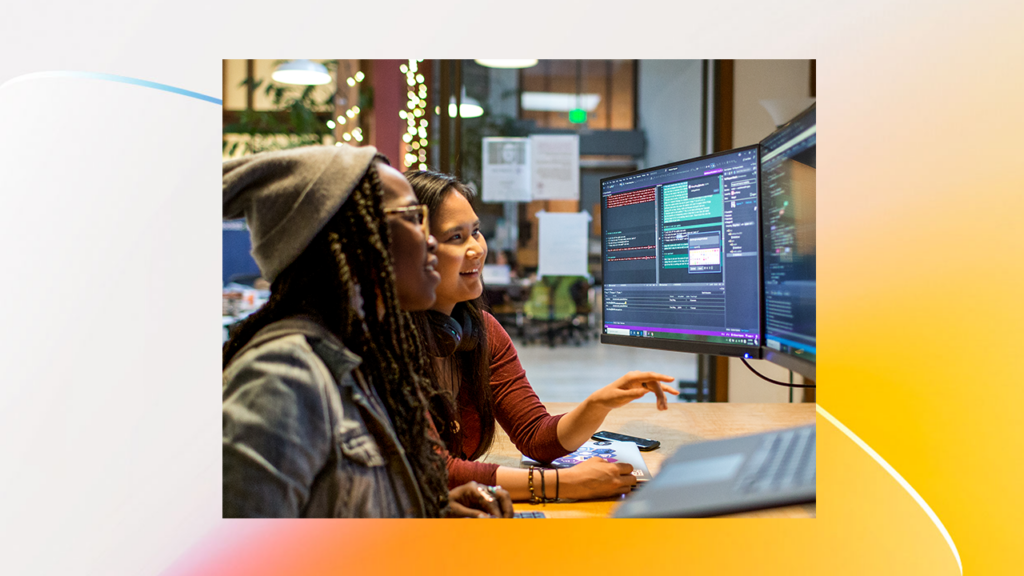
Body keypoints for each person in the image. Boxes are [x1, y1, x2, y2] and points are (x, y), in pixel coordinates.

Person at [222, 145, 511, 518]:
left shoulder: (362, 359)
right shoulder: (283, 375)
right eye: (411, 217)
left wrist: (426, 517)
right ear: (348, 241)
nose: (431, 241)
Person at [403, 170, 679, 503]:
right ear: (413, 252)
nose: (476, 249)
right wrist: (561, 485)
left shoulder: (482, 332)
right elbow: (434, 470)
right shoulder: (389, 344)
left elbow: (536, 438)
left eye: (476, 232)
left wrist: (597, 404)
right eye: (456, 237)